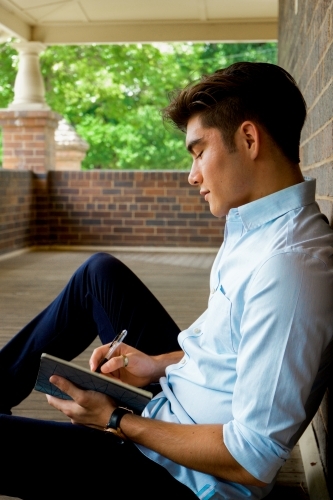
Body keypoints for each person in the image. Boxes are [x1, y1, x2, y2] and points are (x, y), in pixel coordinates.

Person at [1, 62, 333, 500]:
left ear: (249, 139)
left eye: (198, 152)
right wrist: (156, 364)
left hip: (181, 476)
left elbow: (251, 458)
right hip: (173, 407)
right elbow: (233, 351)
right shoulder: (256, 228)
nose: (192, 175)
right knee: (99, 275)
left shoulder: (289, 267)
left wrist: (115, 420)